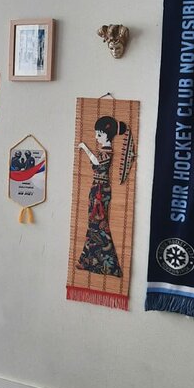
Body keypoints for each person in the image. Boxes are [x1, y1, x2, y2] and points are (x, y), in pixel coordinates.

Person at [76, 116, 130, 277]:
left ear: (107, 135)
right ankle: (88, 259)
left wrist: (85, 148)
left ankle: (107, 264)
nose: (96, 137)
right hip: (97, 187)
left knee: (98, 223)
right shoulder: (103, 151)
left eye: (99, 134)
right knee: (93, 223)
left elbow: (96, 163)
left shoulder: (107, 152)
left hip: (101, 190)